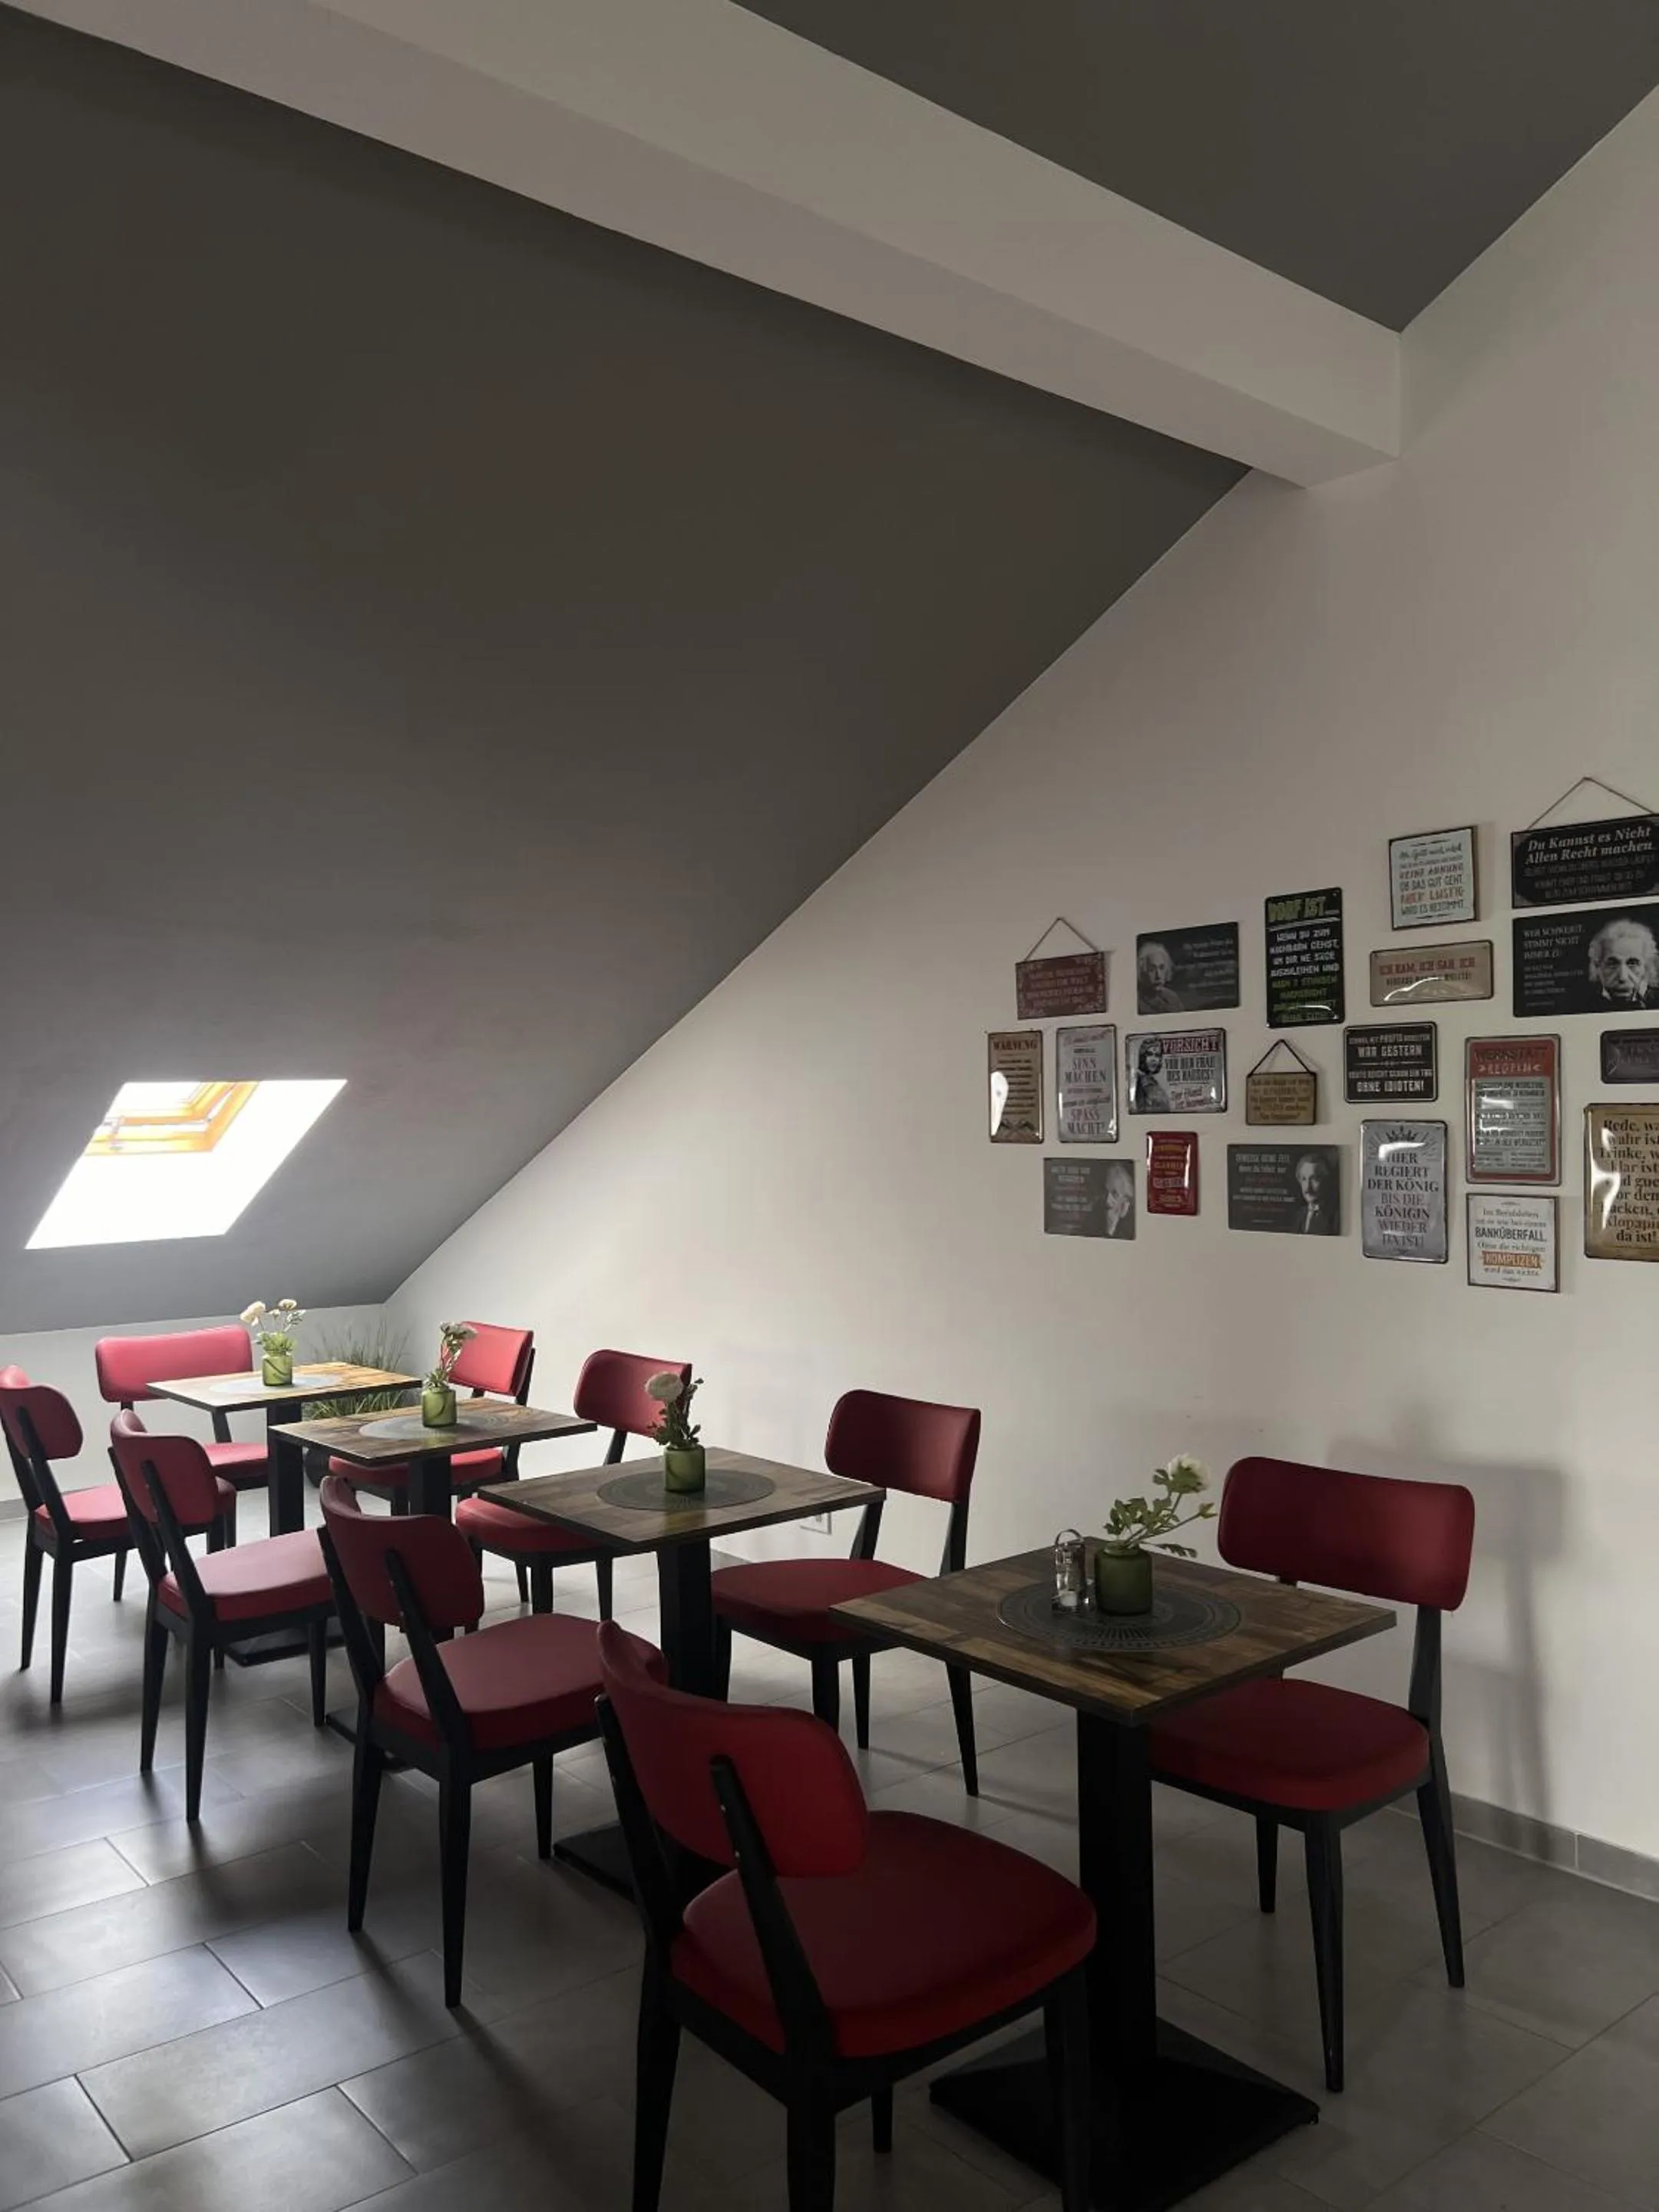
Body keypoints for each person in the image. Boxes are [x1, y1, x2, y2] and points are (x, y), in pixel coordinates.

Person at [1585, 916, 1659, 1010]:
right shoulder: (1583, 1005)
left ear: (1647, 967)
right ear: (1597, 967)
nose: (1622, 977)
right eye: (1612, 964)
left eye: (1633, 963)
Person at [1293, 1151, 1337, 1235]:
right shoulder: (1298, 1215)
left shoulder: (1337, 1217)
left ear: (1327, 1181)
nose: (1307, 1187)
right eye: (1304, 1179)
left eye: (1314, 1179)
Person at [1137, 941, 1184, 1015]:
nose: (1158, 976)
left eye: (1161, 968)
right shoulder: (1136, 1003)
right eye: (1152, 970)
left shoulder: (1173, 998)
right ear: (1142, 972)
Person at [1130, 1037, 1170, 1113]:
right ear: (1143, 1056)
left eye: (1157, 1055)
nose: (1154, 1059)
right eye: (1150, 1054)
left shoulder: (1153, 1082)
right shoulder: (1139, 1082)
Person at [1103, 1162, 1135, 1239]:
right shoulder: (1098, 1210)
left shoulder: (1134, 1222)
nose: (1108, 1200)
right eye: (1107, 1192)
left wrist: (1111, 1230)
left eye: (1115, 1194)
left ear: (1127, 1197)